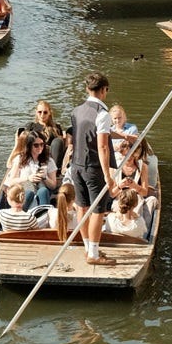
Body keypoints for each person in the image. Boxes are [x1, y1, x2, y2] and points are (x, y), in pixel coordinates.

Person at [70, 72, 117, 266]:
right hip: (93, 168)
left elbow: (86, 134)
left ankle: (88, 248)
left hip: (76, 166)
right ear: (104, 90)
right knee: (98, 210)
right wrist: (108, 176)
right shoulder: (102, 114)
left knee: (82, 206)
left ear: (87, 89)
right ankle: (94, 255)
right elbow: (103, 146)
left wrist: (124, 137)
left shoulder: (76, 111)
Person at [4, 130, 58, 209]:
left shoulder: (49, 161)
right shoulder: (20, 159)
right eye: (36, 145)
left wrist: (44, 177)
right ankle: (21, 213)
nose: (40, 148)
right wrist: (28, 178)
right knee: (29, 192)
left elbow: (53, 186)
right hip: (24, 193)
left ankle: (43, 213)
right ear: (29, 146)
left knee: (43, 191)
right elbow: (11, 182)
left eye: (42, 144)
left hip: (42, 194)